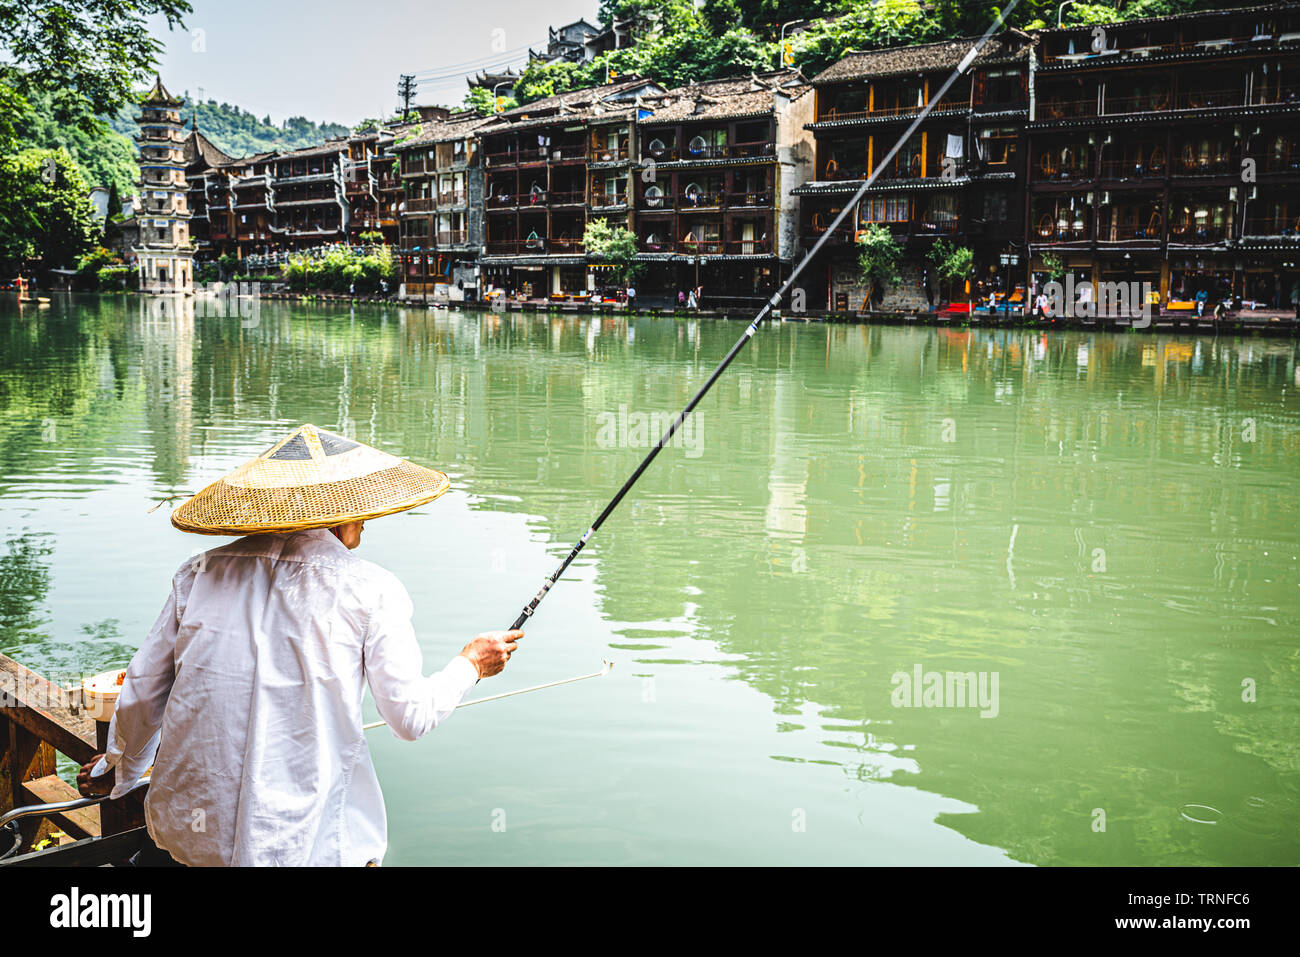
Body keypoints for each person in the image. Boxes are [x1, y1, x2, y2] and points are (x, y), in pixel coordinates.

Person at [76, 424, 520, 866]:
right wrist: (470, 664)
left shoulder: (200, 572)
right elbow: (410, 718)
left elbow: (142, 692)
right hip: (304, 845)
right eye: (358, 507)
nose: (365, 519)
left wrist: (117, 770)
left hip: (189, 839)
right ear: (338, 514)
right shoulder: (371, 589)